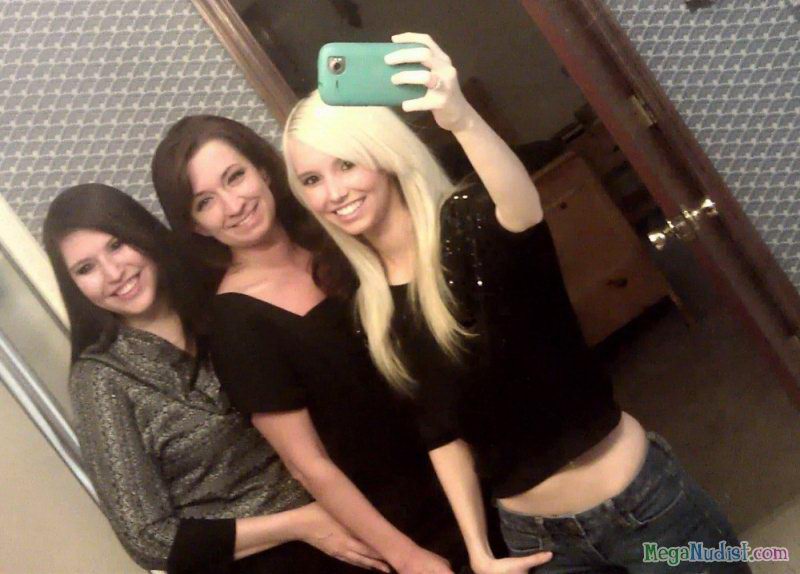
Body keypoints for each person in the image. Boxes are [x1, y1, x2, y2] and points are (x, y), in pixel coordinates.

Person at [282, 33, 748, 574]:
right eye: (311, 180)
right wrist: (478, 549)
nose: (332, 193)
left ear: (382, 156)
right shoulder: (372, 309)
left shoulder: (468, 222)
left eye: (345, 165)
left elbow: (521, 210)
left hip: (643, 508)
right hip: (537, 542)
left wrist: (461, 117)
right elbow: (441, 434)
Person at [151, 114, 485, 574]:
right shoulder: (236, 324)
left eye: (235, 176)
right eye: (205, 202)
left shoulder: (340, 241)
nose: (233, 204)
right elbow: (308, 465)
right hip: (406, 522)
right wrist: (406, 556)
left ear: (264, 170)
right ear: (196, 226)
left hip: (473, 461)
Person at [43, 183, 388, 574]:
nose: (112, 273)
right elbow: (147, 538)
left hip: (353, 512)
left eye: (117, 245)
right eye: (85, 269)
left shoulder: (226, 304)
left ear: (142, 234)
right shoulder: (100, 379)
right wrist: (300, 524)